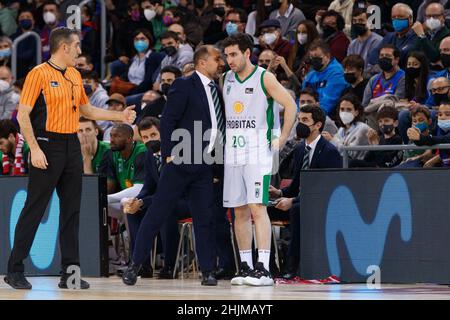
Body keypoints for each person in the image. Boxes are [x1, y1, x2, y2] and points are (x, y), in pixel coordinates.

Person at [4, 27, 136, 290]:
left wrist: (118, 117)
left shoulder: (75, 75)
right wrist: (35, 148)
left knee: (72, 210)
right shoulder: (38, 74)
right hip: (45, 143)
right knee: (35, 208)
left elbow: (86, 109)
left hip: (70, 145)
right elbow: (23, 116)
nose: (79, 50)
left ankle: (70, 273)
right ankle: (15, 269)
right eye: (76, 46)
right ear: (64, 47)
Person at [122, 45, 227, 287]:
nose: (220, 62)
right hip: (180, 160)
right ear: (202, 62)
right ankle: (135, 265)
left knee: (204, 218)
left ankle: (208, 271)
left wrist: (217, 165)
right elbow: (168, 119)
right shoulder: (184, 84)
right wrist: (169, 154)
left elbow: (218, 128)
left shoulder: (217, 90)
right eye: (217, 58)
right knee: (157, 213)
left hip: (205, 164)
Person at [221, 34, 296, 286]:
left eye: (233, 54)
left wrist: (283, 138)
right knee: (238, 210)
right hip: (233, 153)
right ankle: (245, 266)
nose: (229, 60)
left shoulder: (265, 77)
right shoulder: (226, 79)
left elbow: (291, 105)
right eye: (226, 55)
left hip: (258, 152)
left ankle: (264, 268)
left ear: (246, 54)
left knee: (257, 207)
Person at [268, 105, 342, 279]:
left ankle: (291, 267)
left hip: (322, 203)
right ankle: (270, 267)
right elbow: (296, 185)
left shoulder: (330, 152)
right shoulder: (300, 149)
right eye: (299, 120)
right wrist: (279, 193)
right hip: (301, 199)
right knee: (263, 211)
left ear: (318, 125)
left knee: (296, 210)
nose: (300, 124)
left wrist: (292, 201)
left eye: (305, 120)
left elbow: (326, 190)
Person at [123, 116, 189, 279]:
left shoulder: (178, 151)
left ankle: (170, 264)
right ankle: (142, 265)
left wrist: (144, 202)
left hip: (186, 200)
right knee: (133, 212)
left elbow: (175, 190)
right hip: (163, 200)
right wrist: (137, 201)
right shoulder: (149, 155)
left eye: (153, 135)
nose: (149, 140)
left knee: (166, 210)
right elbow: (148, 186)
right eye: (145, 137)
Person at [302, 40, 349, 116]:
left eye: (316, 57)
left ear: (327, 56)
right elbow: (301, 98)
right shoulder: (311, 75)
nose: (313, 60)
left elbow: (327, 103)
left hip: (326, 118)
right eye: (311, 57)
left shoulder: (337, 73)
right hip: (309, 113)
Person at [368, 3, 419, 69]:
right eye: (394, 17)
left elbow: (402, 57)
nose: (396, 19)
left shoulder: (416, 37)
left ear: (410, 18)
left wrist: (384, 61)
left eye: (400, 17)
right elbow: (373, 55)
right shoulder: (389, 36)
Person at [323, 93, 370, 160]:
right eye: (342, 109)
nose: (345, 112)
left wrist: (332, 140)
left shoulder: (363, 129)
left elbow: (352, 154)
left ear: (356, 112)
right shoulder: (341, 129)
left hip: (356, 168)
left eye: (349, 109)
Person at [409, 103, 450, 167]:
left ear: (429, 121)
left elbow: (444, 139)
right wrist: (415, 137)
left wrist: (420, 137)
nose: (443, 117)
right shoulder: (438, 129)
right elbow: (426, 141)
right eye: (440, 114)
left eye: (447, 114)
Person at [347, 8, 383, 75]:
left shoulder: (377, 41)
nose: (357, 23)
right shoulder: (352, 44)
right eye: (354, 21)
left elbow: (375, 68)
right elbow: (349, 64)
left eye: (361, 21)